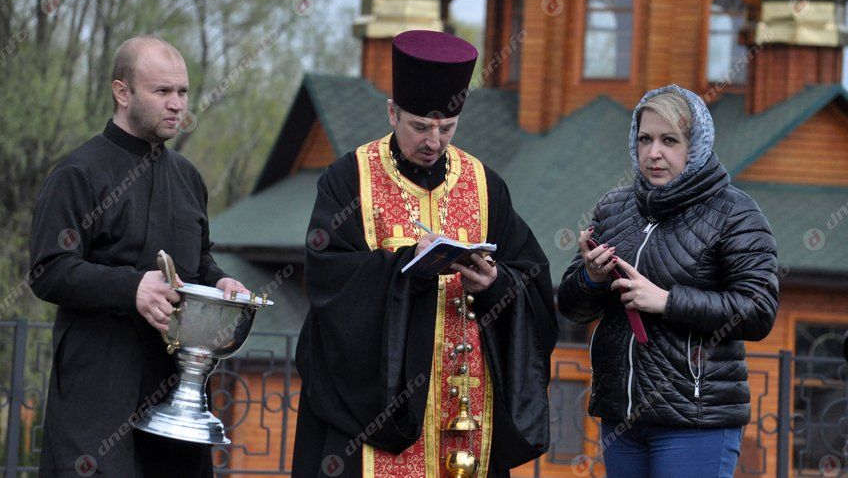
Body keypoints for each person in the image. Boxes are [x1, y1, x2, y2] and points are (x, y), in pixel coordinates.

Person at [292, 30, 558, 477]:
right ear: (393, 113)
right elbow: (327, 277)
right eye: (420, 126)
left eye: (446, 128)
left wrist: (496, 285)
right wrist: (405, 267)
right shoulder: (349, 179)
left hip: (467, 404)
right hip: (380, 406)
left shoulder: (485, 185)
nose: (433, 140)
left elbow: (530, 275)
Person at [30, 36, 248, 478]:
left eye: (183, 92)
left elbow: (200, 261)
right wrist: (131, 287)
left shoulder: (188, 177)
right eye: (162, 91)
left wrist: (222, 282)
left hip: (175, 395)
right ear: (122, 92)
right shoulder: (78, 173)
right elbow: (48, 270)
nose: (176, 104)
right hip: (96, 393)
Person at [558, 84, 779, 477]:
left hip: (697, 420)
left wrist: (667, 301)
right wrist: (590, 277)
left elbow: (758, 311)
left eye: (669, 140)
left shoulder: (736, 213)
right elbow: (573, 309)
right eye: (644, 139)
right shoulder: (613, 209)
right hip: (622, 417)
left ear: (695, 146)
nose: (653, 152)